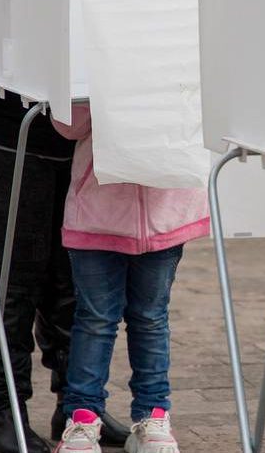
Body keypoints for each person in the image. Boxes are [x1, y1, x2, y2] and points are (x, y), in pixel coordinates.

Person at [0, 0, 130, 453]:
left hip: (75, 137)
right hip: (3, 136)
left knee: (73, 272)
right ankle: (4, 413)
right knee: (15, 270)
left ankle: (76, 402)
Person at [51, 103, 209, 453]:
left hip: (165, 212)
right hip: (97, 214)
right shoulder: (93, 56)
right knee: (95, 319)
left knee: (151, 319)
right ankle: (82, 418)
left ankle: (153, 415)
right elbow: (68, 126)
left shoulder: (180, 55)